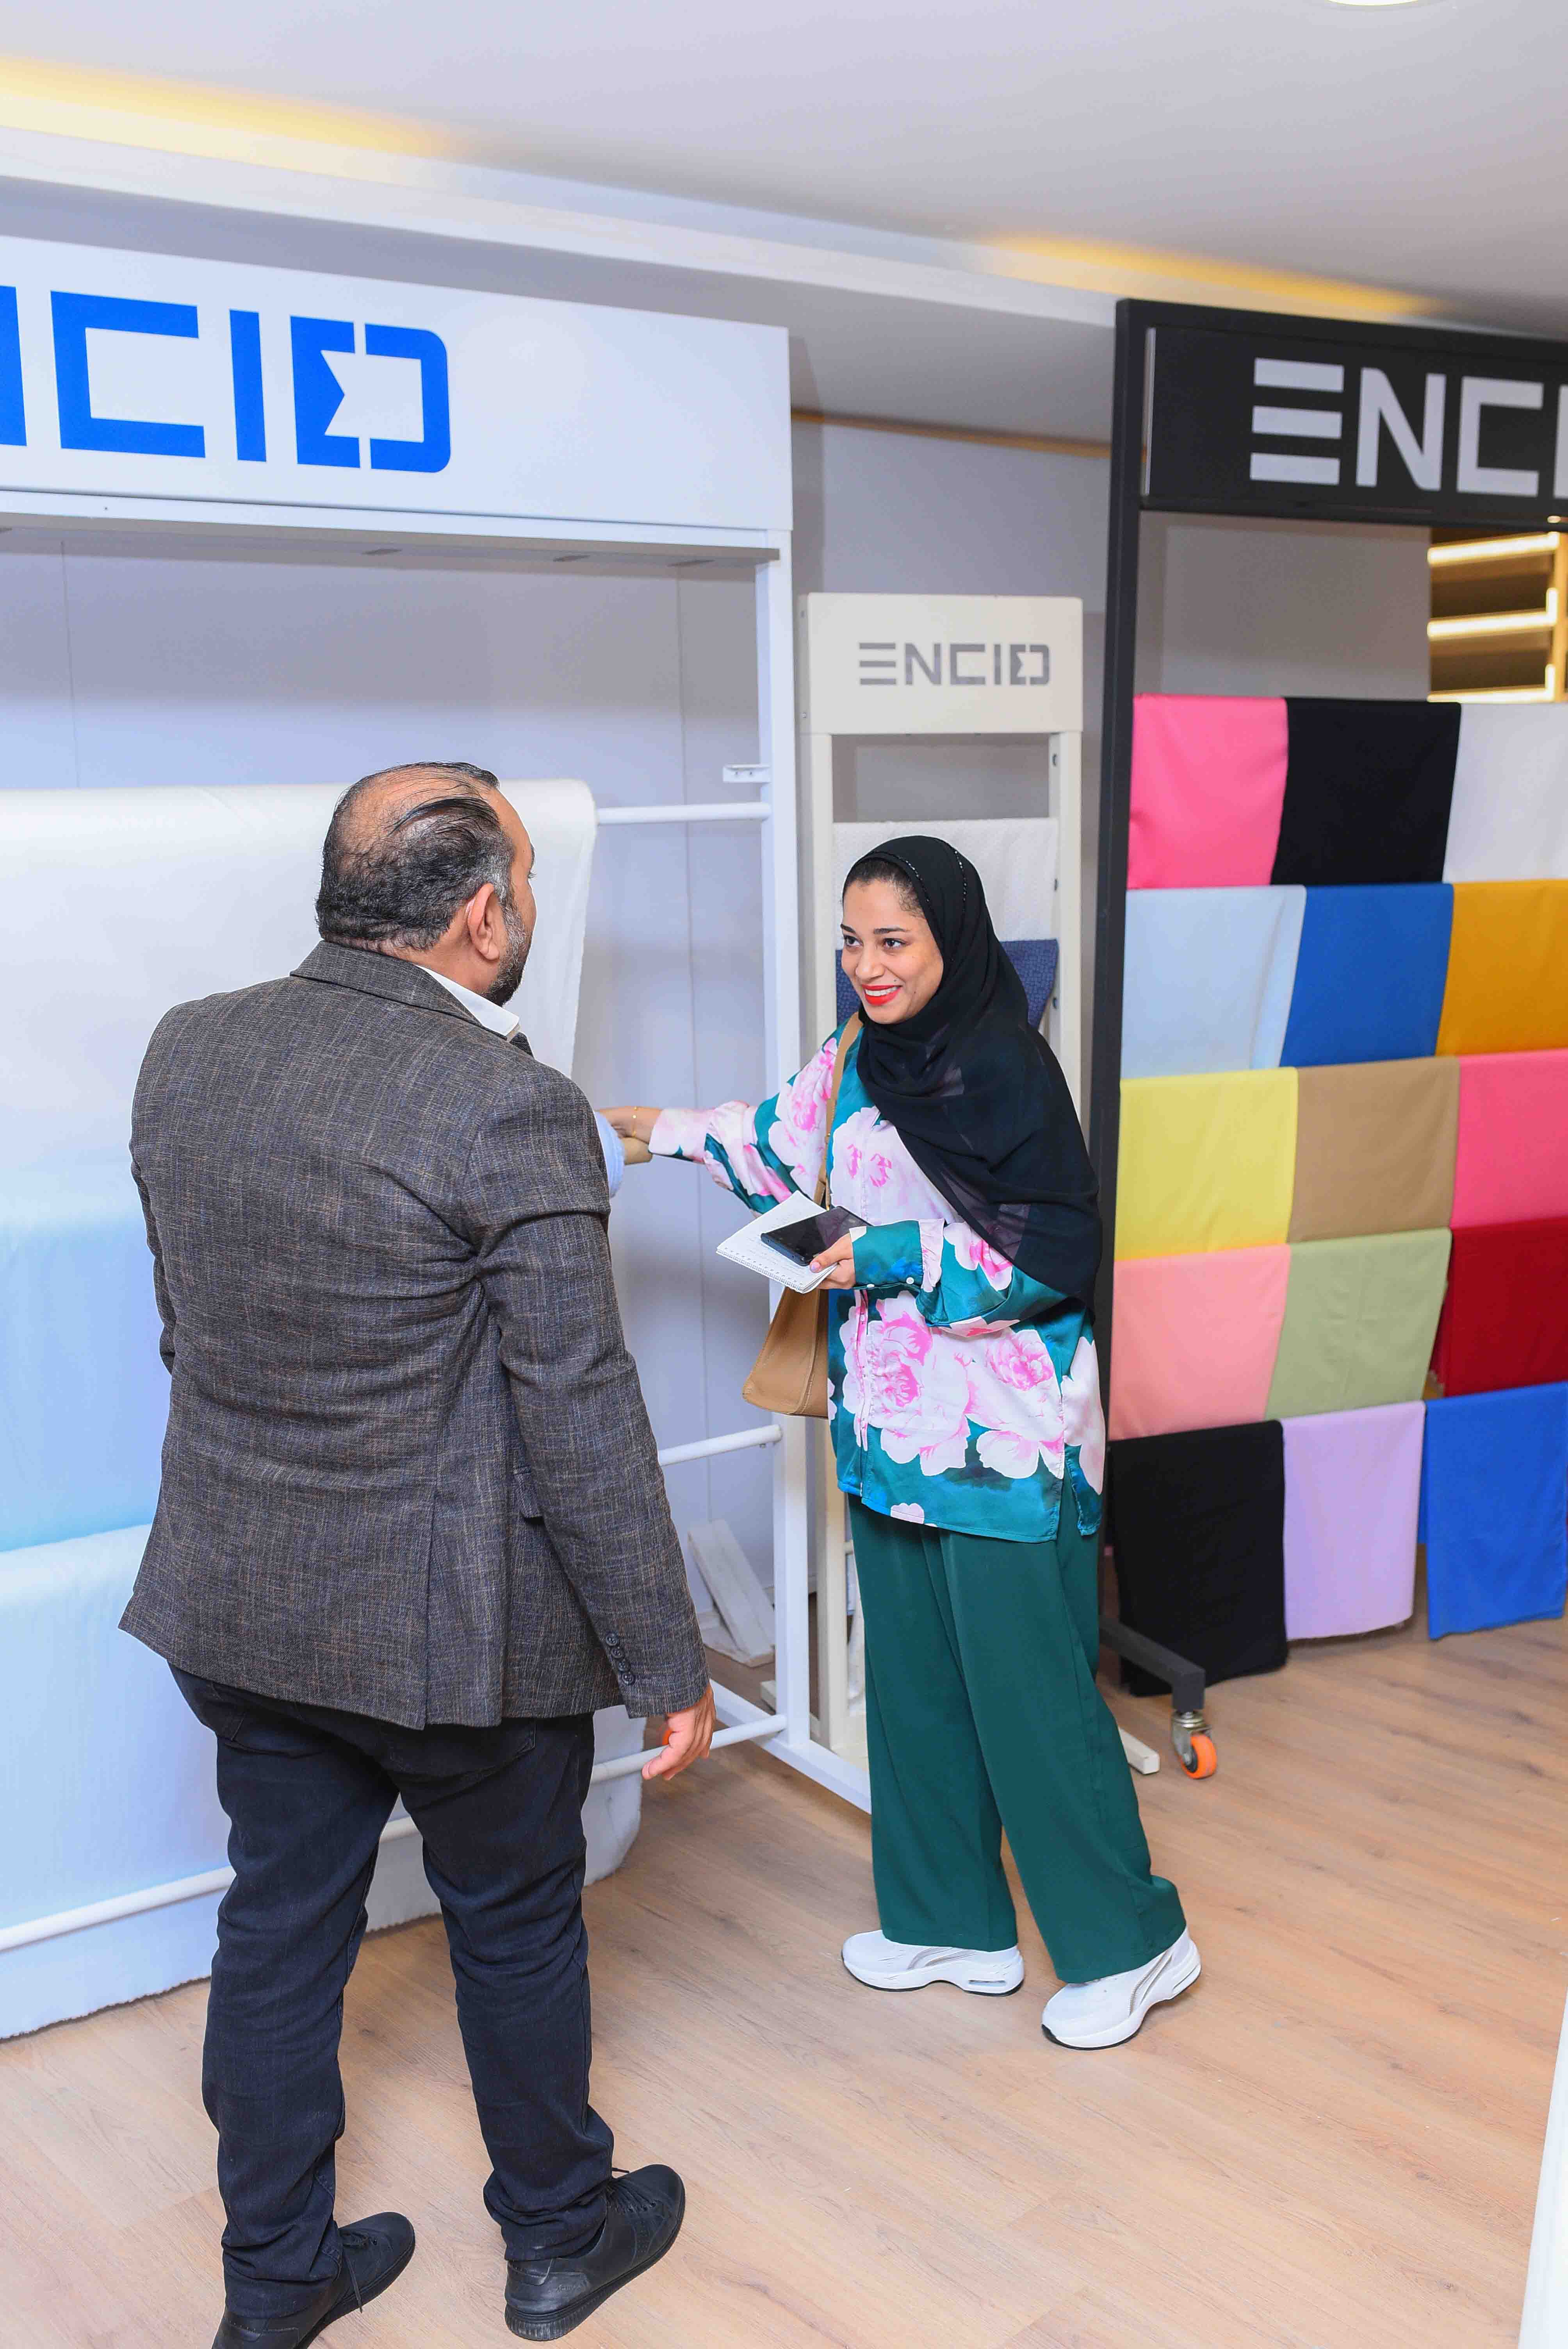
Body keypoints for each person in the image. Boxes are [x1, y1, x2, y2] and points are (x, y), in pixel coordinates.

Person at [124, 761, 713, 2348]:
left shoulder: (190, 1048)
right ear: (483, 917)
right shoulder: (507, 1104)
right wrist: (667, 1660)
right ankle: (557, 2243)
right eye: (526, 882)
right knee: (513, 1924)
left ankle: (274, 2283)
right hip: (457, 1634)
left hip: (241, 1597)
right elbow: (578, 1407)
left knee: (277, 1930)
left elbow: (190, 1328)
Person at [607, 834, 1197, 2050]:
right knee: (919, 1694)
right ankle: (953, 1924)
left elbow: (1051, 1255)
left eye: (893, 941)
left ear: (952, 940)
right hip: (887, 1431)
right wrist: (657, 1129)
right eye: (852, 941)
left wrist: (886, 1253)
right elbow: (775, 1142)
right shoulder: (857, 1058)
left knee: (1034, 1705)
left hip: (1009, 1444)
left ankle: (1135, 1945)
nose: (867, 966)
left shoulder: (1007, 1070)